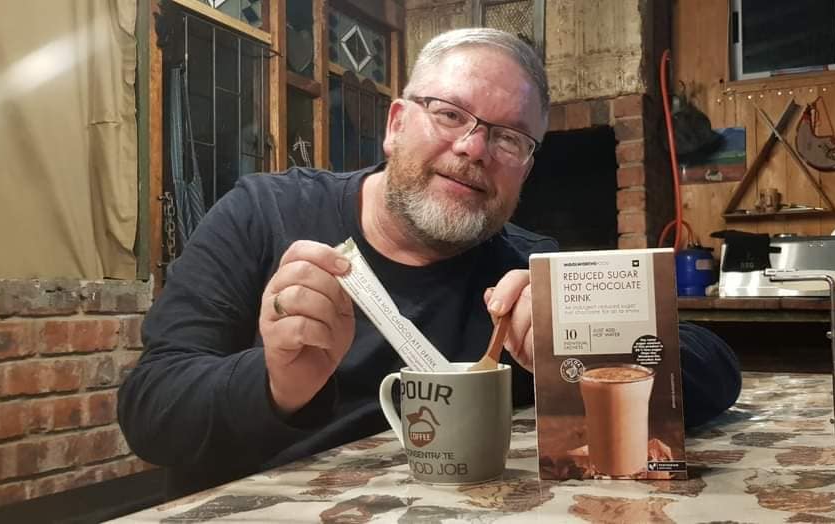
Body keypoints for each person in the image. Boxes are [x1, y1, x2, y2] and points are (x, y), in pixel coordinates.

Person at [118, 28, 741, 498]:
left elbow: (715, 369)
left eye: (509, 138)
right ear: (395, 124)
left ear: (526, 168)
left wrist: (577, 334)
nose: (474, 148)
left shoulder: (529, 267)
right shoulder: (264, 214)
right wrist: (275, 383)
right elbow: (150, 410)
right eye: (449, 114)